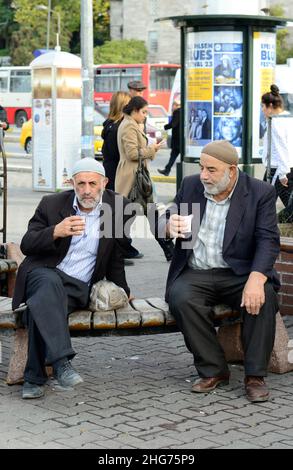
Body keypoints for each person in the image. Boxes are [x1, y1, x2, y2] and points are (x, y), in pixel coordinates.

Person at [160, 140, 280, 403]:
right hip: (197, 271)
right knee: (180, 298)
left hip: (239, 273)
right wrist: (168, 226)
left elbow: (268, 240)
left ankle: (255, 377)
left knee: (264, 296)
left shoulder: (259, 192)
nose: (204, 175)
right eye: (202, 168)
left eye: (211, 170)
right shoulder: (191, 185)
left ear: (232, 170)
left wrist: (257, 279)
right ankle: (214, 370)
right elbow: (166, 215)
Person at [12, 158, 131, 399]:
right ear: (72, 183)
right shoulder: (52, 204)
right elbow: (27, 243)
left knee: (40, 306)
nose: (86, 190)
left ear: (104, 183)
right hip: (42, 272)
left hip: (76, 286)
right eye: (81, 184)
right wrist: (56, 231)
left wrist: (123, 289)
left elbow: (116, 254)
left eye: (92, 184)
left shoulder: (118, 207)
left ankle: (34, 378)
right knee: (48, 285)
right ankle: (61, 363)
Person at [115, 96, 174, 261]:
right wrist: (152, 149)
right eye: (143, 112)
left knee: (134, 214)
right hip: (133, 177)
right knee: (134, 215)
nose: (145, 115)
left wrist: (151, 149)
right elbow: (133, 154)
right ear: (134, 110)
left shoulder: (132, 124)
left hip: (138, 176)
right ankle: (170, 250)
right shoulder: (128, 126)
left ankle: (169, 250)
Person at [102, 91, 143, 262]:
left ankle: (122, 247)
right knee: (120, 212)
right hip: (117, 174)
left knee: (119, 212)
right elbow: (126, 154)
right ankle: (118, 249)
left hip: (110, 171)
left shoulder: (109, 125)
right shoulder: (119, 127)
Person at [261, 84, 293, 221]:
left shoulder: (276, 122)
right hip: (283, 167)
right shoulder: (288, 119)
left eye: (263, 106)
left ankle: (276, 225)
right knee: (263, 204)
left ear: (270, 106)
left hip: (278, 170)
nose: (262, 110)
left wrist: (283, 173)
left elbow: (281, 147)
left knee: (263, 204)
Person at [158, 99, 180, 176]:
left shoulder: (177, 112)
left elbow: (173, 124)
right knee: (173, 155)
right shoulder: (181, 111)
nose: (171, 108)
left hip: (178, 139)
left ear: (175, 106)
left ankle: (167, 170)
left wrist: (165, 127)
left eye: (172, 106)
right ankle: (167, 170)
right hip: (180, 140)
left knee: (174, 155)